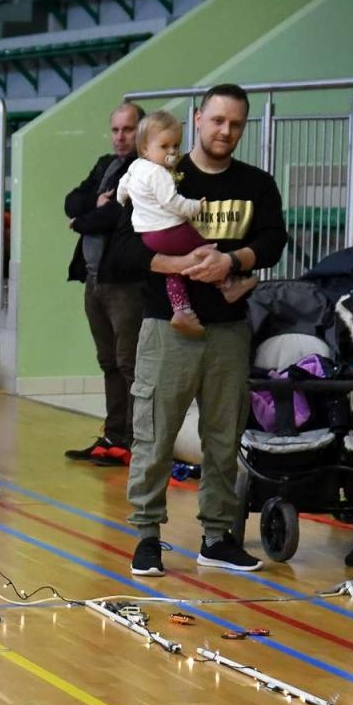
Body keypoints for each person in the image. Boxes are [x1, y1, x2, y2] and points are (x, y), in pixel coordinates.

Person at [103, 83, 287, 576]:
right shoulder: (157, 171)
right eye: (218, 120)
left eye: (236, 124)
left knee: (224, 438)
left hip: (228, 331)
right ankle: (146, 535)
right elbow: (121, 252)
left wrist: (231, 259)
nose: (226, 131)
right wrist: (180, 262)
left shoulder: (257, 184)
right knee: (155, 436)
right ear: (199, 118)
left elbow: (273, 241)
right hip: (167, 328)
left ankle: (217, 536)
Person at [117, 110, 256, 339]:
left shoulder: (135, 167)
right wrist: (195, 207)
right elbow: (172, 202)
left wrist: (123, 199)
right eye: (165, 147)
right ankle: (228, 284)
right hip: (169, 230)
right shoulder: (158, 173)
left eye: (176, 145)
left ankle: (180, 309)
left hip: (148, 236)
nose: (172, 152)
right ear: (145, 149)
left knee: (175, 271)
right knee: (207, 249)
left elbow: (123, 187)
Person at [64, 102, 144, 466]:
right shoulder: (104, 164)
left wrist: (85, 218)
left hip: (125, 284)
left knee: (129, 363)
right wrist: (90, 208)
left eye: (127, 129)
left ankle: (133, 440)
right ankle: (113, 435)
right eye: (115, 129)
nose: (120, 137)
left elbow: (115, 216)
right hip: (94, 279)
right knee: (108, 361)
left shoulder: (145, 170)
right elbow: (72, 201)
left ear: (141, 130)